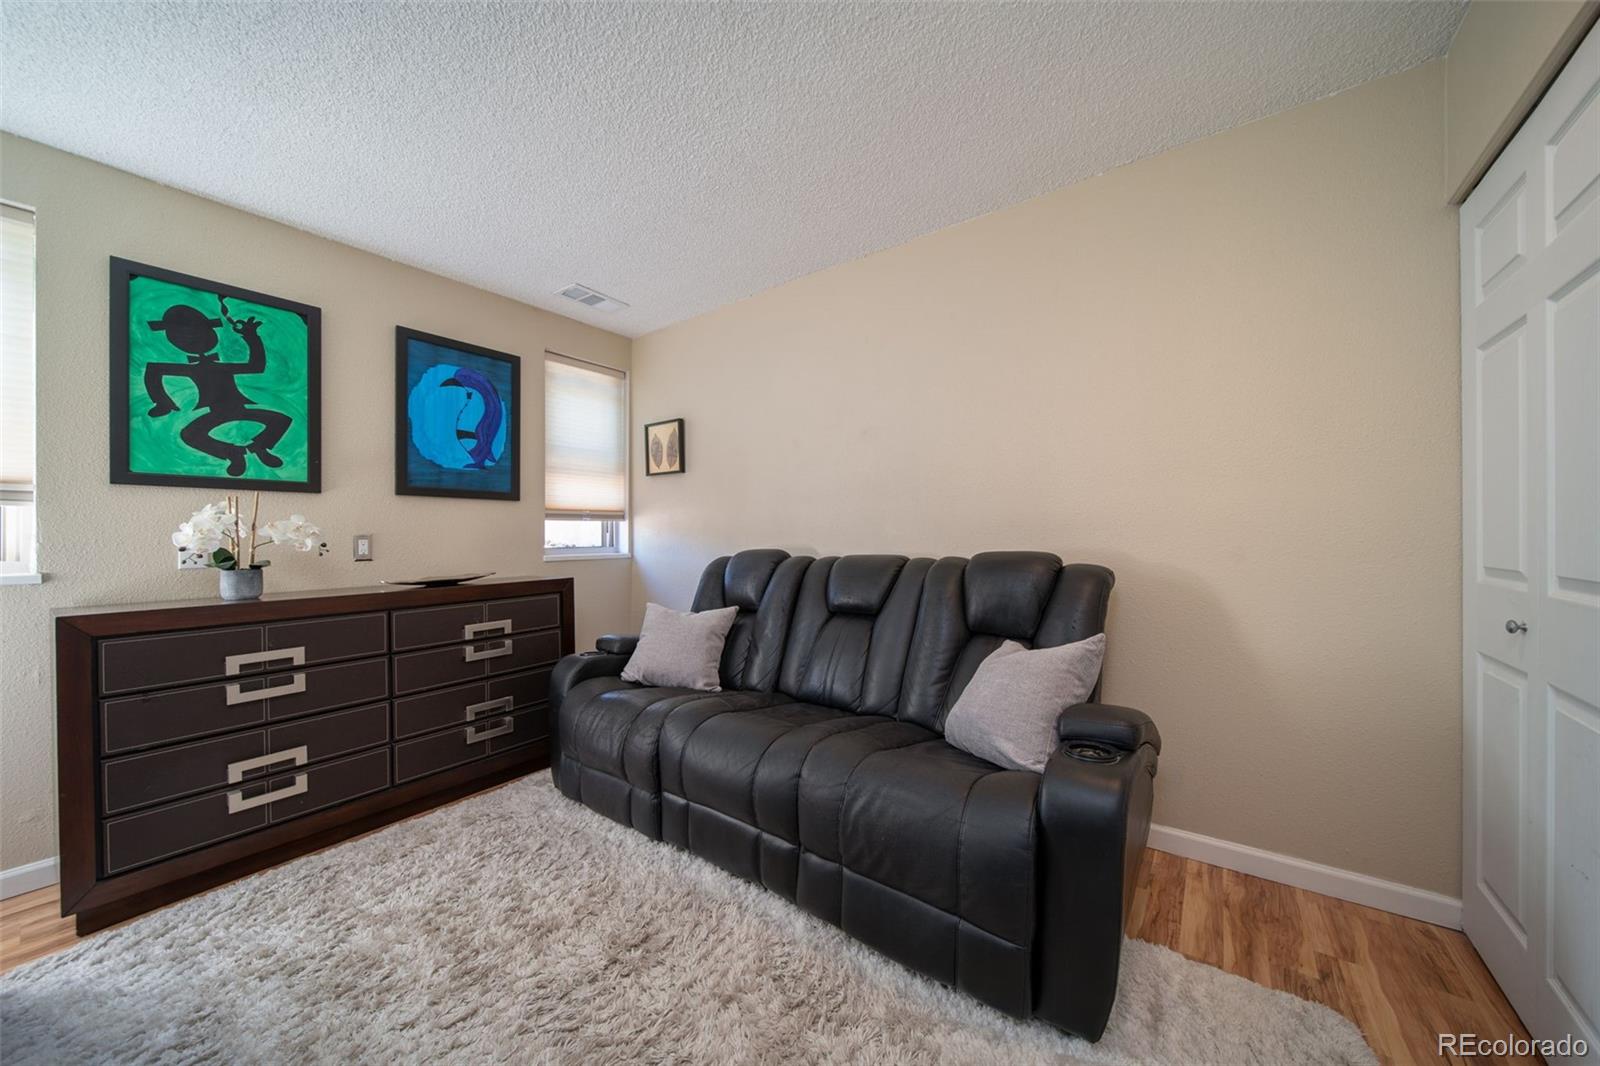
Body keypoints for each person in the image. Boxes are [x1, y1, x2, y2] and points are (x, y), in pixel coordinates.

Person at [143, 297, 294, 477]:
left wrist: (252, 337)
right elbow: (154, 370)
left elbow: (256, 366)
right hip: (215, 414)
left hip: (240, 409)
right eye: (182, 336)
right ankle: (233, 453)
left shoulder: (220, 367)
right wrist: (162, 402)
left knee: (282, 420)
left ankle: (259, 447)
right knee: (189, 435)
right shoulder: (192, 369)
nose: (191, 338)